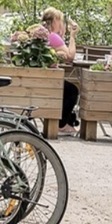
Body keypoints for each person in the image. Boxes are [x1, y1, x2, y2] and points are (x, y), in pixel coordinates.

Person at [42, 8, 80, 137]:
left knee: (68, 89)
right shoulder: (53, 36)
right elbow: (70, 56)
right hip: (51, 79)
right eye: (60, 20)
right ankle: (62, 124)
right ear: (54, 20)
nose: (61, 23)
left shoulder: (45, 34)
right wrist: (73, 36)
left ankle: (66, 122)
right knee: (72, 91)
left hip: (44, 77)